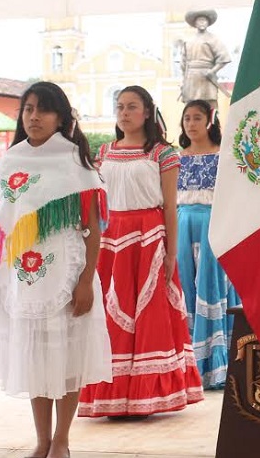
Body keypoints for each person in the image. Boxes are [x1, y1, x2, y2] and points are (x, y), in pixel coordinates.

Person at [0, 81, 112, 458]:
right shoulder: (9, 161)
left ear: (60, 117)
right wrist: (0, 279)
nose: (34, 116)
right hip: (23, 280)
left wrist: (86, 281)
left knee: (67, 357)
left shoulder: (75, 162)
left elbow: (93, 228)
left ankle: (62, 440)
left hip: (67, 276)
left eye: (43, 109)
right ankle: (41, 440)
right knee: (35, 357)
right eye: (28, 109)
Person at [78, 86, 204, 418]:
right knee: (111, 313)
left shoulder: (162, 153)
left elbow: (169, 207)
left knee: (148, 315)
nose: (124, 113)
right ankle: (113, 395)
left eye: (132, 107)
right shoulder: (103, 152)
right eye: (120, 107)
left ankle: (145, 396)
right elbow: (96, 201)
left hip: (149, 237)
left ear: (147, 111)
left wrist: (171, 253)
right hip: (111, 238)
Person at [176, 99, 240, 389]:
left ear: (209, 121)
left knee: (210, 286)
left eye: (197, 118)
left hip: (213, 226)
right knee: (185, 288)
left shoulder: (222, 156)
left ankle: (214, 365)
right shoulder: (176, 158)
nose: (191, 124)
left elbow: (233, 198)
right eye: (187, 118)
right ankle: (188, 364)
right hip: (182, 226)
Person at [180, 9, 232, 108]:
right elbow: (183, 63)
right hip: (191, 79)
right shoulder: (188, 41)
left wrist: (213, 71)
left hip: (207, 77)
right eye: (199, 20)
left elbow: (224, 58)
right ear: (195, 23)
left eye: (204, 20)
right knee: (191, 106)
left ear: (208, 22)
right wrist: (183, 81)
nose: (202, 23)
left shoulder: (213, 39)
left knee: (210, 106)